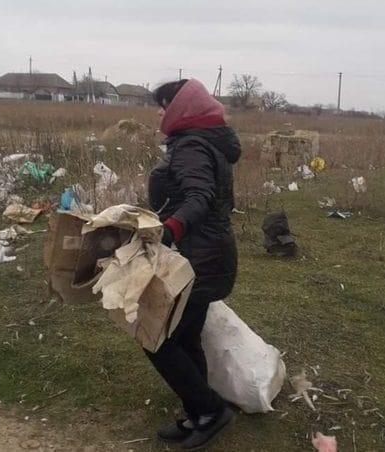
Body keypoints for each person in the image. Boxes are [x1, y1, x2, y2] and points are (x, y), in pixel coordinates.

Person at [146, 78, 241, 450]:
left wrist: (168, 230)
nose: (158, 111)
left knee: (157, 338)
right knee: (185, 336)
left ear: (181, 107)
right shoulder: (204, 141)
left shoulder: (192, 144)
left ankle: (211, 411)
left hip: (198, 259)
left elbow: (198, 196)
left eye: (164, 103)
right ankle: (196, 413)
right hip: (209, 254)